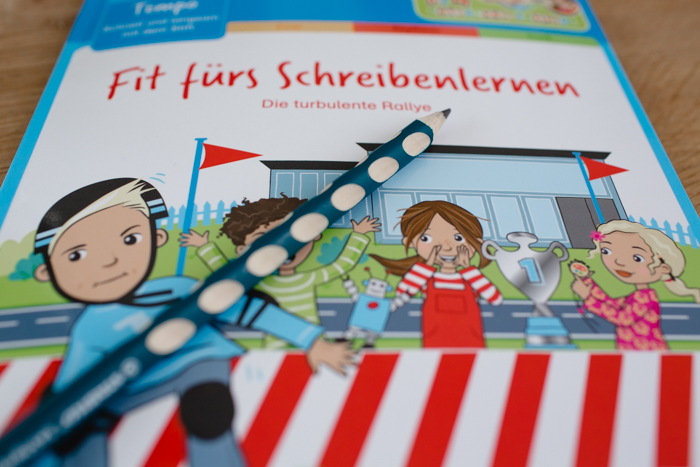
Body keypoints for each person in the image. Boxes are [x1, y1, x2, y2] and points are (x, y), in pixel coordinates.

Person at [32, 178, 354, 467]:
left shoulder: (182, 288)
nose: (110, 261)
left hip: (196, 365)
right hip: (127, 382)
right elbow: (74, 378)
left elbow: (248, 310)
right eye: (77, 256)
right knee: (78, 428)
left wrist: (311, 339)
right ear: (46, 272)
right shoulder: (89, 326)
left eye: (130, 239)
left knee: (209, 413)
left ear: (156, 237)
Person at [180, 195, 380, 348]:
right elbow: (226, 274)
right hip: (273, 347)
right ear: (242, 249)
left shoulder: (308, 278)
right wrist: (204, 247)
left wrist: (358, 236)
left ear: (315, 235)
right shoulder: (251, 280)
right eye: (262, 238)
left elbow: (341, 266)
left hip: (313, 344)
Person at [371, 201, 502, 348]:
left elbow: (495, 299)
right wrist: (426, 267)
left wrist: (468, 269)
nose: (446, 247)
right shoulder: (425, 276)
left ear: (476, 242)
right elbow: (403, 292)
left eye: (458, 238)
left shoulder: (471, 277)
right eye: (426, 238)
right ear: (410, 242)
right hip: (435, 338)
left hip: (471, 339)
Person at [572, 220, 700, 350]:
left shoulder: (646, 297)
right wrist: (587, 281)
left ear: (663, 268)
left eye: (637, 258)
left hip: (649, 352)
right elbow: (612, 304)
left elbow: (623, 319)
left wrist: (588, 298)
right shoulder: (638, 295)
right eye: (606, 251)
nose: (619, 261)